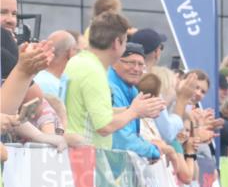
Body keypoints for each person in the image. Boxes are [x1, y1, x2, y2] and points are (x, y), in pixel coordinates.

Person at [64, 11, 164, 147]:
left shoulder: (79, 61)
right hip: (86, 158)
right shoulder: (94, 71)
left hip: (79, 154)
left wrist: (132, 108)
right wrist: (134, 111)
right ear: (117, 42)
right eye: (125, 41)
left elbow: (93, 112)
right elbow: (104, 126)